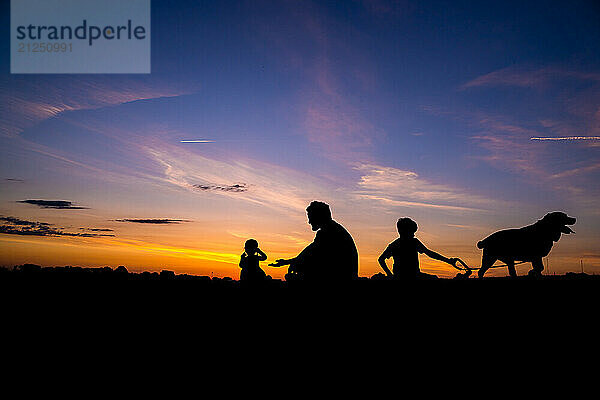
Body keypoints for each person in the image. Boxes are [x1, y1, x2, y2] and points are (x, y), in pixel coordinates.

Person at [270, 201, 358, 282]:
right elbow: (308, 252)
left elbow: (310, 254)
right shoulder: (332, 229)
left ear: (319, 217)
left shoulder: (328, 232)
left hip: (339, 278)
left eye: (310, 218)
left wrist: (293, 263)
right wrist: (288, 262)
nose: (309, 222)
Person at [378, 217, 458, 279]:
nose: (414, 234)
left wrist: (390, 274)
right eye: (412, 232)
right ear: (404, 231)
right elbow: (429, 253)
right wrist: (448, 261)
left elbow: (381, 259)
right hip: (413, 276)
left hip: (402, 276)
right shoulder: (413, 243)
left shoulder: (394, 245)